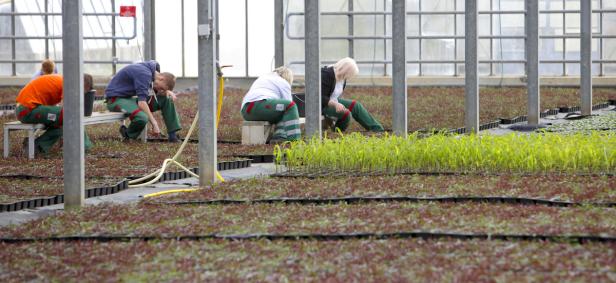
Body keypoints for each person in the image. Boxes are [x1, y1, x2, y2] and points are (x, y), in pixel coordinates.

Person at [15, 74, 93, 155]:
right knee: (70, 116)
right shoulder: (68, 84)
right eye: (84, 91)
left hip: (27, 109)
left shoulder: (63, 80)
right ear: (84, 84)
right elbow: (67, 110)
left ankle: (37, 146)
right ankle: (83, 146)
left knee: (60, 125)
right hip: (28, 109)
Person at [104, 60, 181, 142]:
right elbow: (142, 103)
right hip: (116, 99)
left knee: (166, 99)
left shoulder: (153, 73)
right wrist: (154, 123)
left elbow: (152, 90)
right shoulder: (144, 74)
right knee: (142, 117)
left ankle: (173, 136)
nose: (160, 90)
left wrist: (166, 91)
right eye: (161, 88)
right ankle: (128, 135)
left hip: (131, 98)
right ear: (161, 78)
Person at [321, 57, 384, 132]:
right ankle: (337, 132)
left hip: (332, 101)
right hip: (322, 105)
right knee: (346, 114)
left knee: (355, 105)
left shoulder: (342, 78)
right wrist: (335, 104)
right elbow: (319, 97)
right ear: (345, 71)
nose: (349, 77)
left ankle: (377, 129)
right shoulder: (326, 75)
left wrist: (336, 103)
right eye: (350, 74)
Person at [240, 66, 301, 141]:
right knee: (290, 106)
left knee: (282, 110)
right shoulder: (283, 81)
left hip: (246, 111)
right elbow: (289, 106)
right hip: (260, 105)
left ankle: (279, 136)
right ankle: (295, 140)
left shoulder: (263, 78)